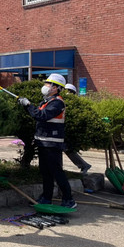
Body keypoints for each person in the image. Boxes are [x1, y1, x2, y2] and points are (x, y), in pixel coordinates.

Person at [17, 73, 77, 208]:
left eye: (48, 84)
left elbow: (42, 115)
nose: (45, 86)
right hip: (43, 142)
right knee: (45, 171)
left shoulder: (57, 103)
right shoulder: (46, 102)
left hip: (52, 143)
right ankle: (46, 197)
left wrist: (28, 105)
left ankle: (69, 199)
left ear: (56, 88)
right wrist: (29, 106)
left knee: (56, 171)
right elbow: (39, 114)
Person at [63, 83, 92, 175]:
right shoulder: (62, 101)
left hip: (70, 131)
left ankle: (83, 165)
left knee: (66, 149)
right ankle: (83, 165)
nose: (67, 93)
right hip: (63, 129)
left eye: (69, 92)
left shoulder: (75, 105)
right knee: (66, 149)